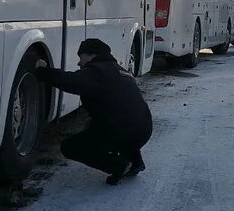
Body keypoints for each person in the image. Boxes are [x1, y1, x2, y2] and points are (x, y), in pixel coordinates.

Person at [34, 38, 152, 185]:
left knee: (70, 147)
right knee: (104, 124)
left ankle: (118, 166)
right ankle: (136, 161)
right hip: (144, 130)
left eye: (81, 57)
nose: (79, 63)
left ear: (92, 55)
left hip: (124, 132)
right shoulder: (119, 70)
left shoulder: (98, 71)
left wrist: (42, 71)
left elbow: (71, 81)